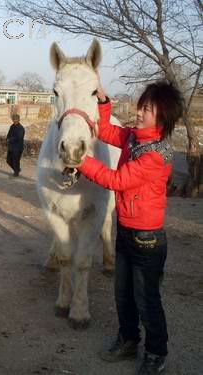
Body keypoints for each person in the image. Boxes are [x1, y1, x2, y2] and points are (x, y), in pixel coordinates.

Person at [75, 79, 183, 375]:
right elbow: (109, 131)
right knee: (122, 294)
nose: (138, 112)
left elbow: (117, 180)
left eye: (146, 109)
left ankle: (156, 353)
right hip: (125, 230)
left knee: (146, 300)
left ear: (161, 115)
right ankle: (128, 340)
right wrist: (102, 101)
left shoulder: (156, 156)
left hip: (147, 240)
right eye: (140, 106)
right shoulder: (135, 137)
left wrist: (81, 162)